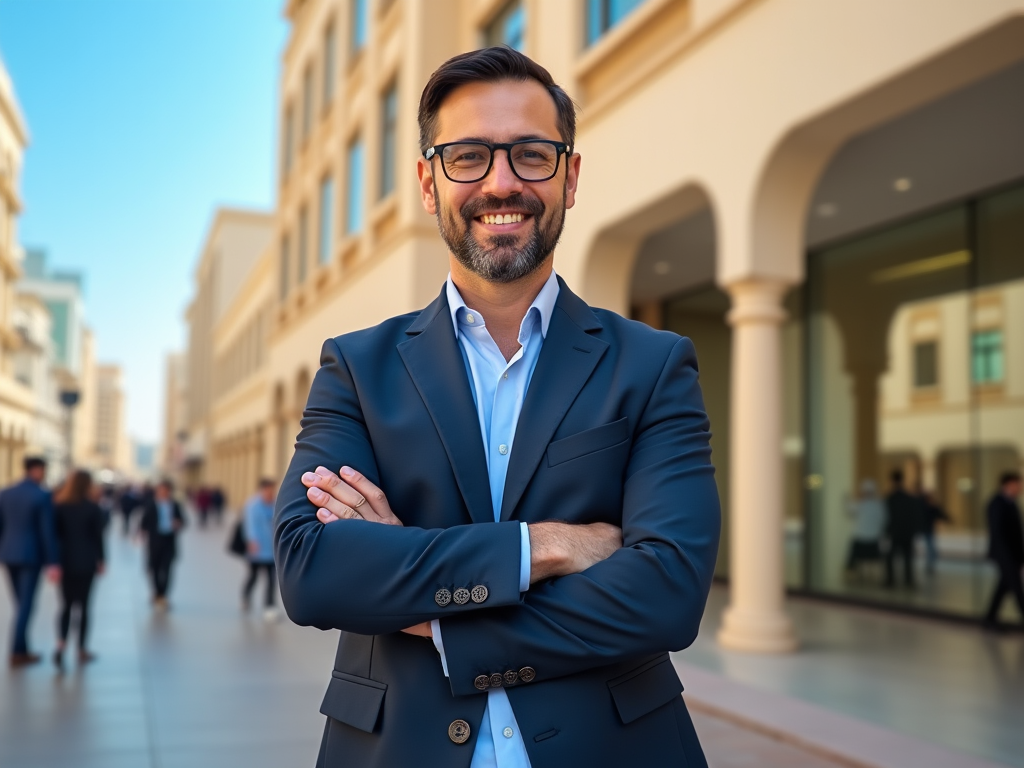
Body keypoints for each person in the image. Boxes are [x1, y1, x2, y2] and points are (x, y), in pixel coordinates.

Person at [276, 48, 720, 768]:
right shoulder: (357, 368)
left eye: (532, 155)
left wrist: (430, 604)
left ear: (570, 177)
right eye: (469, 156)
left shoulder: (654, 364)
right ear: (428, 181)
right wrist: (545, 547)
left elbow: (668, 592)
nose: (502, 182)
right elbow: (312, 569)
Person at [0, 456, 59, 667]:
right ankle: (16, 651)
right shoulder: (41, 496)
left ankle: (22, 649)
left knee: (19, 603)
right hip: (30, 556)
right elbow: (47, 531)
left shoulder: (5, 492)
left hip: (8, 554)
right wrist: (53, 561)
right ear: (37, 470)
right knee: (25, 605)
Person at [52, 470, 106, 669]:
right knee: (84, 606)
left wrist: (53, 561)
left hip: (66, 563)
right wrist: (102, 560)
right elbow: (99, 537)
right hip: (86, 563)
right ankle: (81, 649)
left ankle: (60, 645)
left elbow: (54, 536)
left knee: (65, 606)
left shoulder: (60, 507)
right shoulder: (93, 508)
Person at [982, 471, 1024, 629]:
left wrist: (1020, 556)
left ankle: (989, 618)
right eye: (1018, 484)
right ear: (1008, 484)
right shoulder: (996, 503)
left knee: (1003, 587)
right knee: (1017, 588)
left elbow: (1016, 533)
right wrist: (1007, 557)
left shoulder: (1011, 503)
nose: (1020, 487)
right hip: (1005, 555)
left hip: (1013, 555)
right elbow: (998, 533)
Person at [139, 479, 186, 610]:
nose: (163, 493)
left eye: (166, 491)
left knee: (167, 569)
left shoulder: (175, 505)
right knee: (154, 569)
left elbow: (183, 520)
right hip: (154, 541)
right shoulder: (151, 504)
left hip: (169, 541)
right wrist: (141, 533)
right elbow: (144, 521)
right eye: (161, 490)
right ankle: (157, 592)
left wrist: (178, 523)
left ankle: (163, 595)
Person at [242, 479, 278, 622]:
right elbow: (249, 525)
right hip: (256, 548)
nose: (270, 493)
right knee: (253, 576)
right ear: (262, 490)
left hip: (271, 549)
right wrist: (251, 541)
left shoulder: (275, 504)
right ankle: (245, 596)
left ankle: (269, 606)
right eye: (268, 490)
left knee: (271, 579)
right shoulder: (252, 505)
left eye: (272, 490)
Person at [884, 469, 920, 588]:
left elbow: (886, 517)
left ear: (892, 481)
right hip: (907, 532)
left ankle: (890, 580)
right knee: (907, 558)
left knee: (890, 556)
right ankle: (908, 581)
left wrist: (886, 531)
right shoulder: (908, 498)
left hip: (895, 532)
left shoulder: (890, 499)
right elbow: (914, 516)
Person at [845, 479, 885, 574]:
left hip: (861, 539)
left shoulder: (861, 504)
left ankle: (851, 570)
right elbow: (883, 520)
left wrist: (846, 499)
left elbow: (849, 509)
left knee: (853, 556)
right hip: (874, 539)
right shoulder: (879, 505)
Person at [918, 489, 949, 576]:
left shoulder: (930, 507)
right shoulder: (927, 507)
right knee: (931, 549)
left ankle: (930, 565)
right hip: (927, 530)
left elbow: (940, 514)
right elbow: (940, 514)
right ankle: (930, 566)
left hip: (928, 530)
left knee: (931, 549)